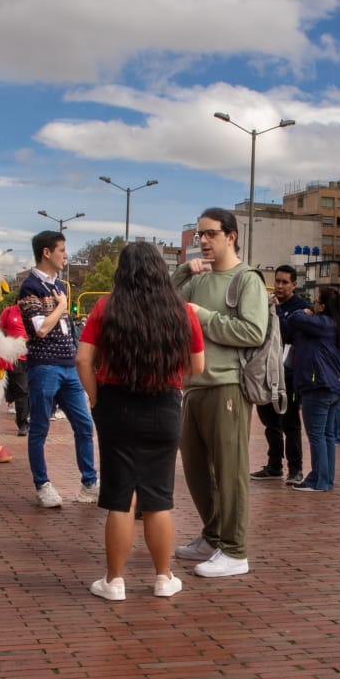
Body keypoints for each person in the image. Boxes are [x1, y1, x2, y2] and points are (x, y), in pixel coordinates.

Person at [76, 243, 204, 601]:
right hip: (164, 405)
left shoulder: (105, 308)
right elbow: (199, 366)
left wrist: (95, 395)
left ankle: (114, 582)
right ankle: (164, 578)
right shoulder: (181, 311)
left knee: (120, 497)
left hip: (116, 405)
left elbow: (83, 360)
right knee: (158, 497)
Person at [171, 208, 268, 578]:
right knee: (196, 470)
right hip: (193, 385)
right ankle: (213, 537)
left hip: (228, 384)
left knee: (230, 471)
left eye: (210, 234)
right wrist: (182, 271)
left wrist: (203, 317)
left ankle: (235, 549)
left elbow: (253, 332)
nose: (203, 241)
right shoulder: (198, 278)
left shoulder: (247, 280)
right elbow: (161, 304)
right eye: (199, 236)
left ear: (231, 235)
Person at [19, 230, 99, 507]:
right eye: (62, 250)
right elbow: (40, 328)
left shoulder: (60, 286)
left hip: (68, 365)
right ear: (46, 252)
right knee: (40, 428)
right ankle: (42, 485)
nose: (66, 255)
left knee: (84, 425)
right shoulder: (30, 287)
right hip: (44, 366)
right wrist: (62, 305)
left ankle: (90, 482)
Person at [249, 264, 308, 486]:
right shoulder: (266, 305)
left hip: (289, 374)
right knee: (269, 421)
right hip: (266, 372)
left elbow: (290, 333)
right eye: (277, 281)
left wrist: (275, 311)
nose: (280, 286)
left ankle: (296, 469)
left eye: (285, 282)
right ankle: (274, 465)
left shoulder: (301, 308)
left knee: (290, 422)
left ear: (294, 284)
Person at [287, 286, 340, 492]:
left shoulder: (321, 323)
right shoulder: (335, 325)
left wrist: (302, 311)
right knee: (327, 435)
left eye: (315, 302)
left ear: (322, 306)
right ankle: (326, 479)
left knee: (316, 435)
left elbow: (296, 319)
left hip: (318, 385)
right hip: (333, 386)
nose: (312, 305)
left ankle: (318, 480)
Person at [0, 300, 30, 435]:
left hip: (33, 357)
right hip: (16, 358)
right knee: (22, 391)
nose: (26, 301)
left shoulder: (35, 312)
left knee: (30, 390)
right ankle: (23, 423)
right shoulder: (9, 311)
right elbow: (1, 329)